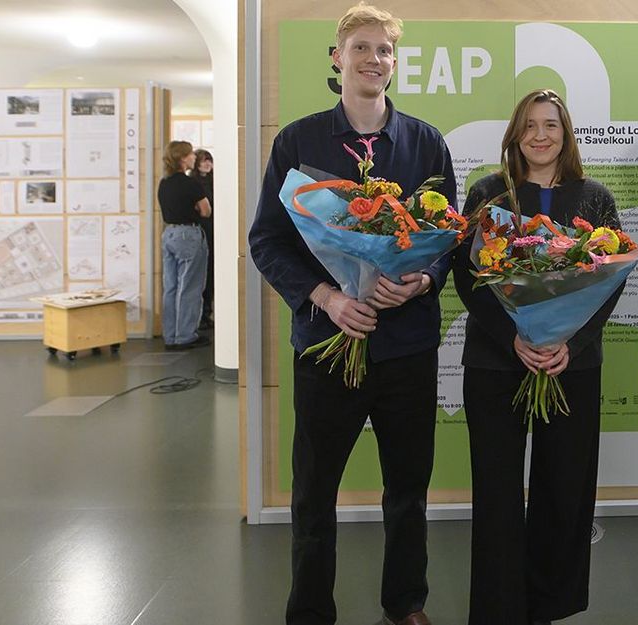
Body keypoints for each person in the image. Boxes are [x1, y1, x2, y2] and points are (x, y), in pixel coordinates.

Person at [247, 3, 456, 625]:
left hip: (406, 346)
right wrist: (328, 297)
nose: (373, 59)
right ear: (338, 58)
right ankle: (311, 611)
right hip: (325, 343)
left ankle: (406, 603)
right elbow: (268, 240)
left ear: (395, 62)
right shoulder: (298, 141)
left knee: (408, 489)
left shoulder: (426, 143)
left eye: (384, 50)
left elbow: (448, 239)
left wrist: (421, 280)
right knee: (314, 493)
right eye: (361, 48)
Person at [452, 89, 622, 625]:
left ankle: (549, 606)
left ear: (566, 133)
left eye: (550, 125)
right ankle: (498, 611)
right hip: (496, 364)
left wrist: (572, 342)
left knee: (564, 489)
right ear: (515, 135)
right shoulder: (487, 193)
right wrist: (514, 338)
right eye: (529, 126)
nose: (540, 135)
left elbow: (612, 280)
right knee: (497, 493)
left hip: (572, 364)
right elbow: (467, 277)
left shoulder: (595, 198)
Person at [157, 140, 211, 350]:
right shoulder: (190, 184)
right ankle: (186, 336)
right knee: (190, 286)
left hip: (169, 234)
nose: (194, 157)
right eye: (190, 154)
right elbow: (206, 210)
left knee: (171, 287)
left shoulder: (164, 183)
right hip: (188, 235)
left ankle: (171, 336)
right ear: (182, 159)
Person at [190, 149, 214, 328]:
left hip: (213, 230)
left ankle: (207, 312)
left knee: (211, 273)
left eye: (209, 160)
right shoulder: (193, 183)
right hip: (200, 230)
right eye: (203, 160)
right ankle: (199, 316)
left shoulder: (215, 181)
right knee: (199, 274)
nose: (207, 164)